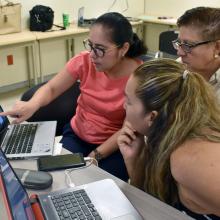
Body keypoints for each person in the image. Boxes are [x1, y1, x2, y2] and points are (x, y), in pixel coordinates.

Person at [1, 12, 147, 181]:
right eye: (90, 45)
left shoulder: (139, 78)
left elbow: (127, 129)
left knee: (99, 186)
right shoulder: (85, 61)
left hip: (115, 146)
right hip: (78, 135)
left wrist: (96, 155)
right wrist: (32, 104)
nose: (92, 54)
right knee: (57, 178)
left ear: (124, 49)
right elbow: (52, 88)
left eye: (100, 49)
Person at [118, 58, 220, 219]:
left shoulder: (188, 157)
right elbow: (151, 204)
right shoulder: (167, 136)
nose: (124, 106)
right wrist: (134, 160)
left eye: (129, 101)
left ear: (152, 117)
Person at [172, 7, 220, 96]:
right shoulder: (178, 67)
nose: (179, 53)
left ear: (217, 47)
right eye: (179, 43)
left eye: (188, 45)